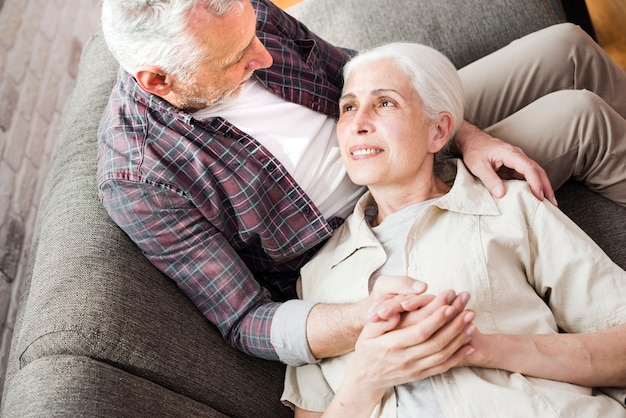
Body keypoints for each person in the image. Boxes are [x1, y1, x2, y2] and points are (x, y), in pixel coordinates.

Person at [97, 0, 626, 367]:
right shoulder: (141, 177)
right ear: (159, 81)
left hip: (380, 120)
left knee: (568, 47)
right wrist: (364, 316)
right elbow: (244, 319)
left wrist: (465, 133)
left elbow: (350, 68)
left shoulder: (236, 18)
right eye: (238, 61)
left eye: (254, 36)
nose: (262, 57)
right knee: (578, 117)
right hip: (370, 212)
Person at [281, 42, 626, 417]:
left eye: (385, 103)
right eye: (348, 107)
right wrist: (366, 378)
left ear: (439, 131)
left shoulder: (508, 206)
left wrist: (485, 348)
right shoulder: (316, 279)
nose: (359, 123)